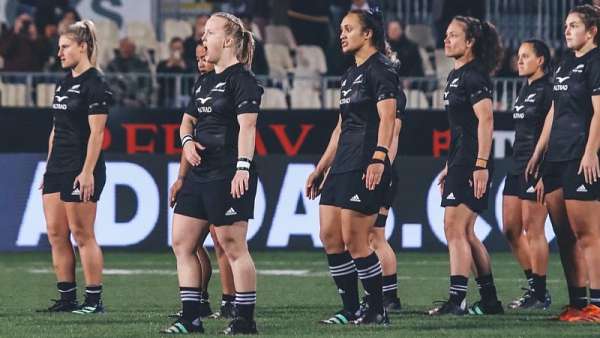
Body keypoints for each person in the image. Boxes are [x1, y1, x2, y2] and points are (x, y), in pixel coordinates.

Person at [161, 12, 263, 335]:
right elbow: (186, 121)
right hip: (200, 173)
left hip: (227, 171)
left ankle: (244, 320)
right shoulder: (205, 80)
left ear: (228, 40)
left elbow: (248, 127)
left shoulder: (242, 80)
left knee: (233, 246)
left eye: (209, 33)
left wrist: (242, 168)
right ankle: (191, 318)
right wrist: (187, 142)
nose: (203, 39)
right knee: (182, 242)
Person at [306, 7, 399, 325]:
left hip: (364, 161)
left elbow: (389, 118)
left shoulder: (381, 69)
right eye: (341, 29)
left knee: (356, 240)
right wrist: (321, 167)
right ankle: (349, 308)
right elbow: (340, 127)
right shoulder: (349, 75)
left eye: (348, 28)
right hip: (342, 163)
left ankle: (376, 309)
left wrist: (379, 157)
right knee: (330, 236)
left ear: (368, 33)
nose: (341, 34)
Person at [526, 4, 600, 322]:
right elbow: (554, 112)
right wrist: (539, 153)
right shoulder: (565, 64)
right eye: (565, 25)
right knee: (564, 235)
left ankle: (597, 305)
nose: (566, 30)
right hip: (555, 158)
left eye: (573, 25)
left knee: (588, 235)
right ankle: (578, 304)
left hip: (578, 156)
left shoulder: (596, 62)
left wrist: (590, 152)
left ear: (592, 31)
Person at [428, 15, 503, 316]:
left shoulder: (474, 76)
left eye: (454, 35)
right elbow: (461, 129)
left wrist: (481, 164)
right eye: (446, 35)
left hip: (473, 160)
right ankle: (490, 301)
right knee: (467, 232)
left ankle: (456, 300)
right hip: (462, 159)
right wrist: (450, 165)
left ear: (470, 42)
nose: (446, 40)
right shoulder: (456, 76)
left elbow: (486, 121)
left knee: (454, 228)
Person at [37, 20, 112, 315]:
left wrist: (87, 171)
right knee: (56, 234)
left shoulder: (96, 83)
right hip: (58, 166)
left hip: (81, 167)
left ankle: (94, 301)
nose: (60, 53)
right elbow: (56, 130)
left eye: (65, 47)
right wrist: (48, 166)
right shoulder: (63, 82)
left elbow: (97, 134)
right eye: (59, 47)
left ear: (83, 47)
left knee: (83, 234)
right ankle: (67, 299)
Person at [167, 40, 237, 321]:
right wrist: (181, 177)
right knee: (191, 243)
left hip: (222, 172)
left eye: (204, 55)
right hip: (198, 174)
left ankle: (232, 300)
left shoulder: (230, 83)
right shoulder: (200, 86)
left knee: (223, 241)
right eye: (197, 58)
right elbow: (190, 142)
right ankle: (201, 301)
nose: (201, 62)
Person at [502, 40, 553, 310]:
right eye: (518, 56)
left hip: (537, 166)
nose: (519, 61)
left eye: (525, 56)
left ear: (541, 60)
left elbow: (553, 132)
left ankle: (540, 293)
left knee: (533, 229)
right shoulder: (525, 89)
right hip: (516, 165)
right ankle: (534, 285)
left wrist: (545, 169)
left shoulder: (549, 90)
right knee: (510, 229)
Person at [360, 88, 406, 314]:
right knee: (370, 236)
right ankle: (384, 295)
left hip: (380, 172)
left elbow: (393, 133)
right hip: (372, 169)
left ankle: (389, 296)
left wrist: (383, 167)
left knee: (375, 236)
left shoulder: (392, 92)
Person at [106, 38, 152, 107]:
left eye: (129, 47)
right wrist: (122, 99)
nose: (126, 49)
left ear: (134, 49)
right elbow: (109, 84)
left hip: (139, 104)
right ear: (120, 48)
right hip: (118, 104)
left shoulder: (142, 64)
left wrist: (139, 100)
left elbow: (146, 84)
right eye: (123, 47)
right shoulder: (112, 65)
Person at [157, 37, 188, 107]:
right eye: (174, 49)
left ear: (183, 50)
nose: (176, 51)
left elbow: (192, 80)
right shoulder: (162, 64)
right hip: (168, 96)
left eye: (179, 48)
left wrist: (183, 66)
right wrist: (169, 65)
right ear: (170, 50)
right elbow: (159, 79)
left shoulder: (188, 64)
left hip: (185, 96)